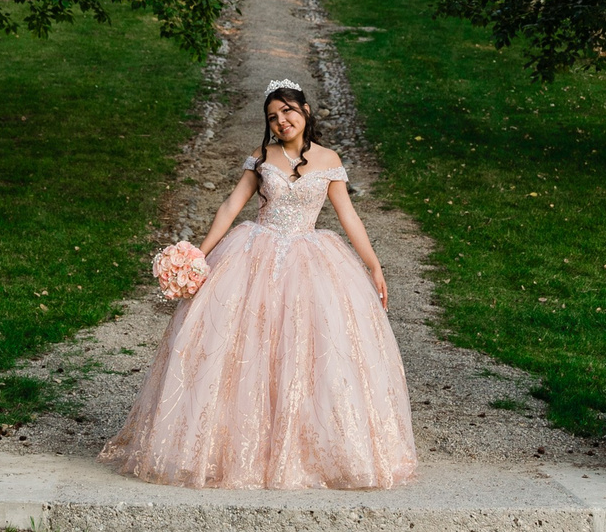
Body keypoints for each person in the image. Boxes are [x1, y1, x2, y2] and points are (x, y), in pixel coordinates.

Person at [100, 80, 418, 489]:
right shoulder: (261, 156)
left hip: (310, 259)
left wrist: (373, 266)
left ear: (304, 110)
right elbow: (232, 205)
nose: (281, 121)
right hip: (254, 253)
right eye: (273, 117)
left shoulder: (328, 160)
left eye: (287, 111)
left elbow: (348, 216)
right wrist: (198, 253)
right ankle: (228, 446)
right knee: (241, 350)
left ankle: (305, 450)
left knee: (311, 351)